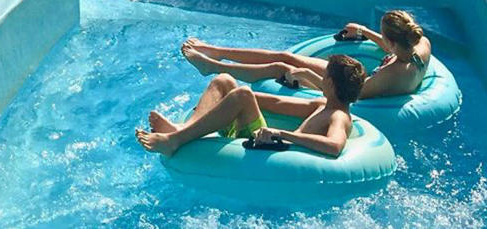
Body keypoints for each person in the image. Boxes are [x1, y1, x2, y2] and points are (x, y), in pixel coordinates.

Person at [136, 55, 366, 157]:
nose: (320, 77)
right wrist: (231, 99)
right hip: (267, 141)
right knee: (224, 81)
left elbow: (334, 146)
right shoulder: (322, 104)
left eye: (324, 76)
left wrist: (282, 133)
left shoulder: (338, 117)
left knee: (243, 94)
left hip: (273, 151)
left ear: (332, 85)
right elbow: (276, 102)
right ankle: (183, 129)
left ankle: (175, 141)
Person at [179, 10, 430, 99]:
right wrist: (364, 31)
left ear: (391, 39)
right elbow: (394, 49)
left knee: (280, 66)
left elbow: (347, 96)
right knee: (287, 56)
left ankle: (212, 66)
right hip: (363, 80)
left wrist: (308, 75)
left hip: (352, 88)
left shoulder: (390, 75)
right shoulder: (421, 47)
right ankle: (217, 52)